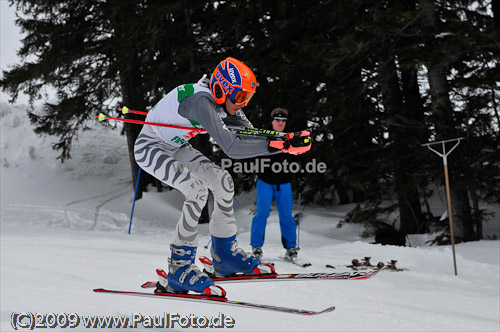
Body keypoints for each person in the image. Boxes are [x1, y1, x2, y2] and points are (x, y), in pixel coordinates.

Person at [134, 57, 312, 297]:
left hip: (176, 146)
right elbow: (232, 147)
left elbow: (247, 133)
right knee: (196, 190)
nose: (242, 104)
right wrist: (280, 146)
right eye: (239, 97)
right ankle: (178, 268)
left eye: (246, 98)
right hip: (150, 147)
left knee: (223, 182)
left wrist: (285, 140)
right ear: (220, 88)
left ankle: (224, 257)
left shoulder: (222, 101)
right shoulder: (201, 100)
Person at [250, 108, 305, 261]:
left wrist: (300, 177)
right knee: (261, 214)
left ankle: (290, 248)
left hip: (284, 183)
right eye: (278, 120)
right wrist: (249, 174)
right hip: (265, 182)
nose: (280, 123)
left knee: (287, 215)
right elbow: (254, 156)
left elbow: (298, 159)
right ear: (272, 121)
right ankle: (256, 248)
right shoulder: (265, 137)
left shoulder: (290, 138)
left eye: (283, 121)